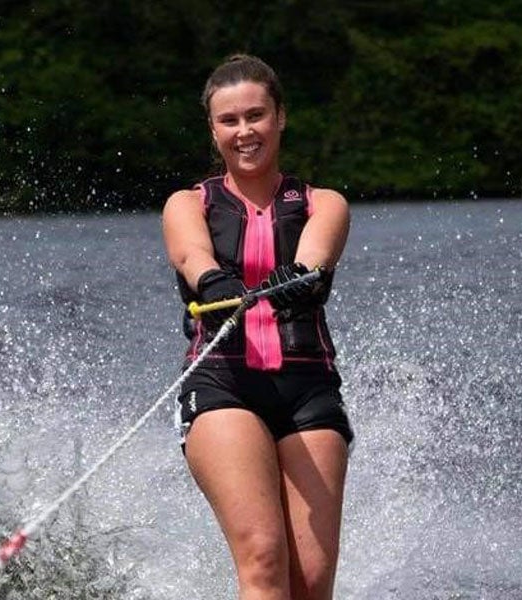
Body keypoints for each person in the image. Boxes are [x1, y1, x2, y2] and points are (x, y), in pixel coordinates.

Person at [161, 54, 353, 600]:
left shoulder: (324, 203)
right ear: (213, 130)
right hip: (222, 385)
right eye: (230, 120)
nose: (245, 131)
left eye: (256, 115)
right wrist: (213, 283)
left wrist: (300, 278)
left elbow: (316, 255)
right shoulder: (187, 204)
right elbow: (190, 252)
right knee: (264, 559)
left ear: (280, 118)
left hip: (308, 392)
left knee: (310, 584)